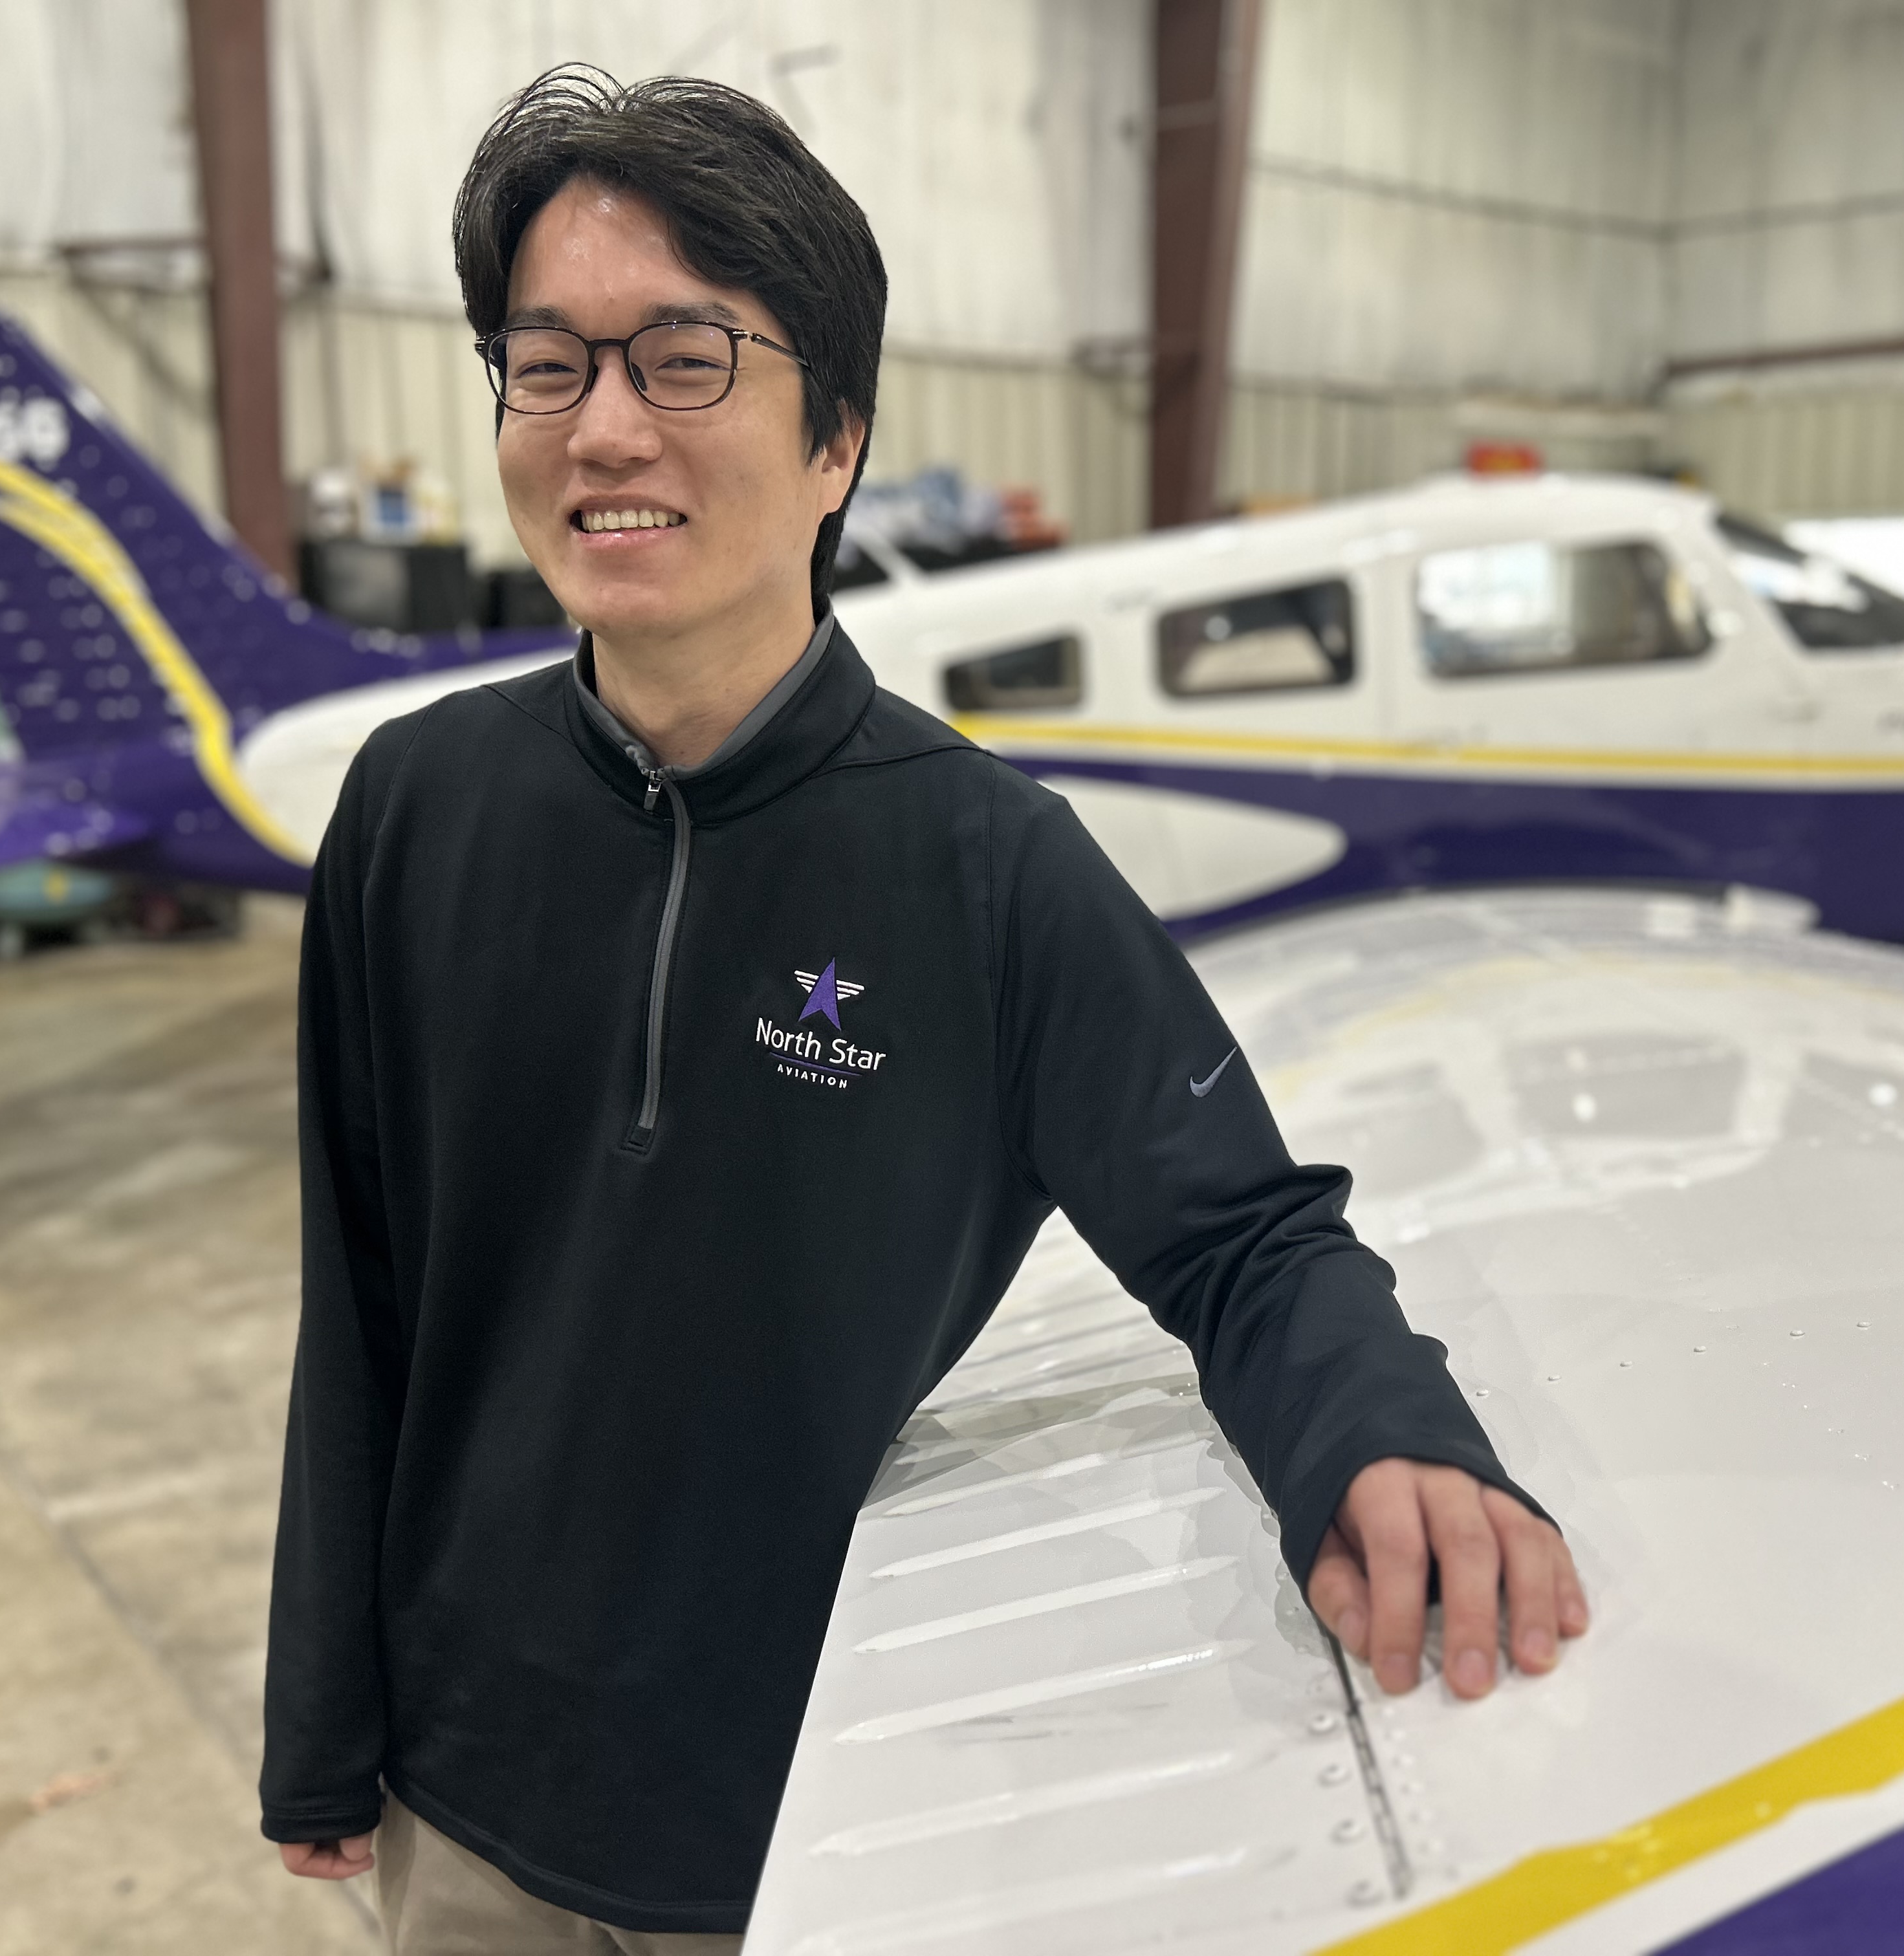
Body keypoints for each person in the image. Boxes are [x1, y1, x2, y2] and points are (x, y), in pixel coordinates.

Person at [259, 65, 1588, 1955]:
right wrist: (322, 1730)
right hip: (462, 1811)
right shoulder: (412, 807)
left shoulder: (987, 868)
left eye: (685, 359)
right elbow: (360, 1298)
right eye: (545, 366)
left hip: (803, 1831)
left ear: (836, 444)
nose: (602, 428)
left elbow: (1241, 1232)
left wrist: (1386, 1435)